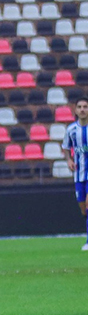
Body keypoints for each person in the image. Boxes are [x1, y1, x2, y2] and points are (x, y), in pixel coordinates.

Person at [62, 96, 88, 250]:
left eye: (85, 106)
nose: (83, 109)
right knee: (83, 208)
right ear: (76, 110)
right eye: (80, 107)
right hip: (79, 176)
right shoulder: (71, 130)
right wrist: (69, 160)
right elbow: (66, 147)